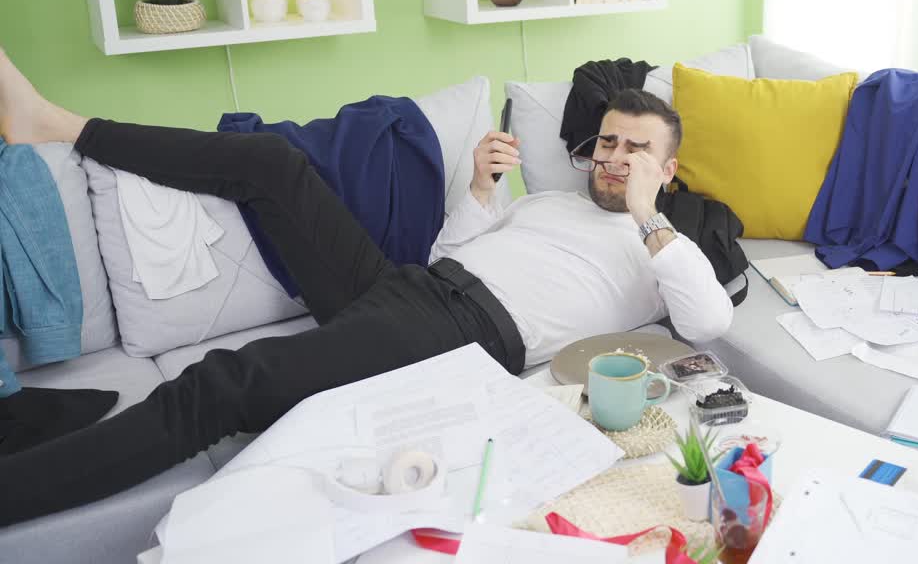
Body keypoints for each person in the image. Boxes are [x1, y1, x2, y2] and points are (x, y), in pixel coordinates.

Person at [0, 47, 732, 526]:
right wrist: (479, 190)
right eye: (608, 143)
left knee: (222, 385)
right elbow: (452, 252)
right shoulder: (550, 203)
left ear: (666, 171)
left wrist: (646, 216)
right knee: (269, 164)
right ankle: (56, 124)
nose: (616, 158)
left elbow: (708, 324)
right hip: (414, 288)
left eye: (638, 151)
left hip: (456, 339)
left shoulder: (662, 250)